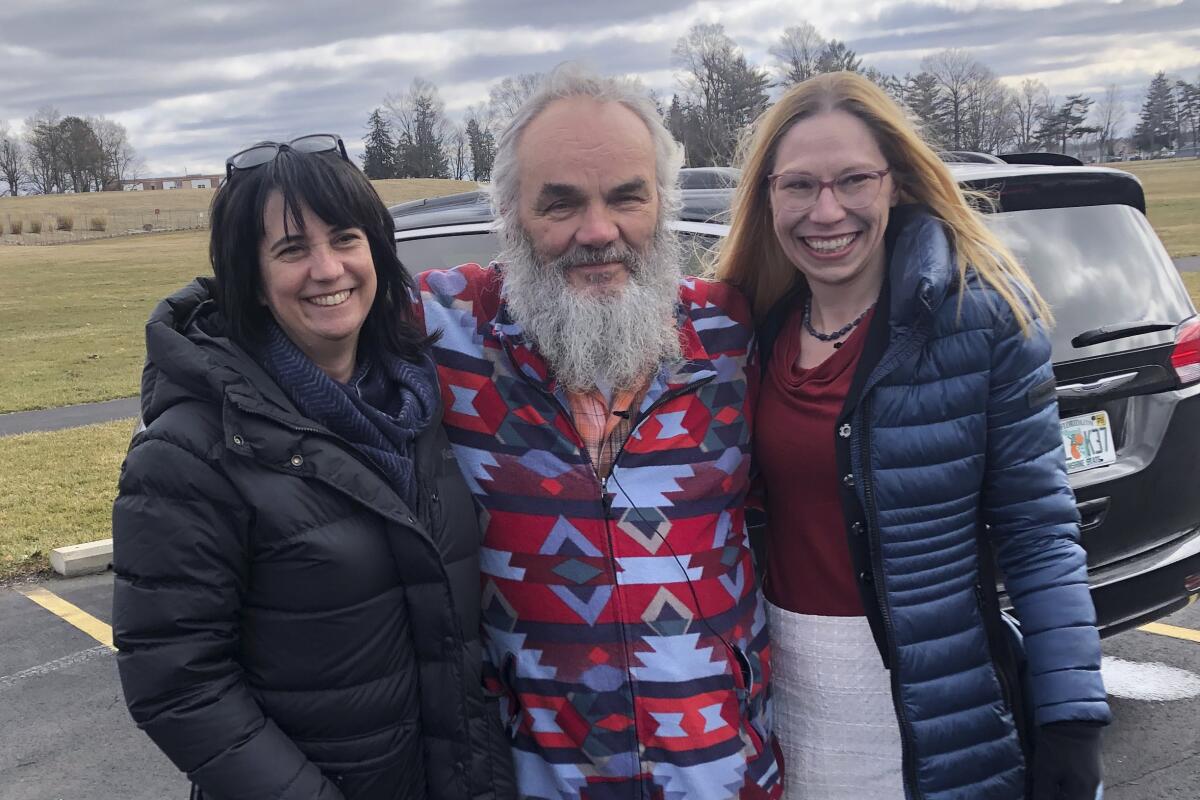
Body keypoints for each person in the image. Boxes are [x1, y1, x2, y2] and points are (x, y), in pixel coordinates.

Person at [716, 71, 1110, 800]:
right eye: (799, 185)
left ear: (893, 182)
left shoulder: (979, 320)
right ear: (767, 196)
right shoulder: (750, 333)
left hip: (930, 710)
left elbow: (1037, 530)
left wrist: (1070, 716)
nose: (825, 210)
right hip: (779, 708)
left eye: (851, 180)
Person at [412, 65, 782, 798]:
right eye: (560, 204)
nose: (598, 232)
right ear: (511, 215)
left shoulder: (731, 334)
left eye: (626, 198)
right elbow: (297, 306)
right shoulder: (445, 331)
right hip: (537, 781)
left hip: (725, 777)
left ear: (662, 203)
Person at [112, 134, 514, 800]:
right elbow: (177, 683)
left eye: (346, 239)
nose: (328, 270)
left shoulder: (422, 403)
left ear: (377, 252)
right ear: (254, 280)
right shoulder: (190, 451)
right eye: (293, 250)